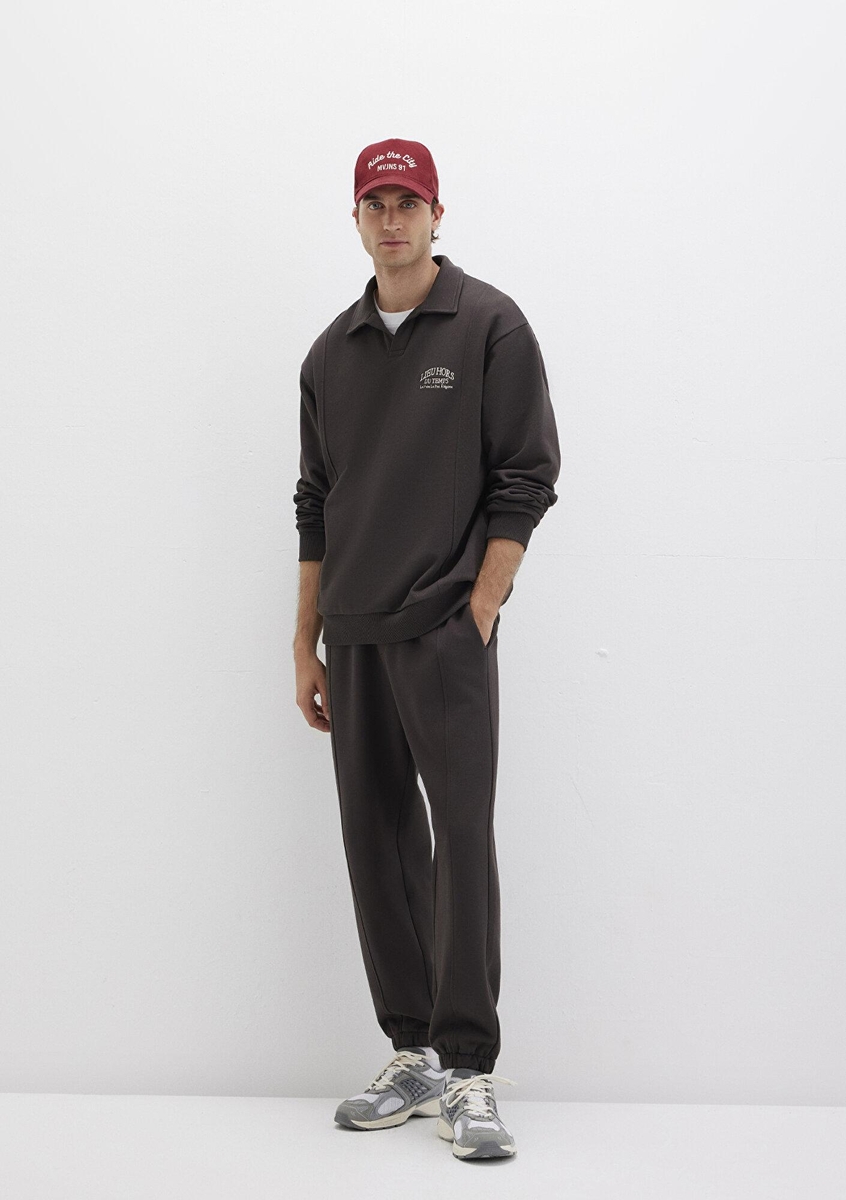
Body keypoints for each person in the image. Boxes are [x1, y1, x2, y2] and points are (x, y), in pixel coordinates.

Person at [293, 137, 561, 1161]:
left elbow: (526, 475)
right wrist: (305, 639)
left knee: (460, 843)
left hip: (445, 628)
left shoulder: (490, 324)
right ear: (357, 219)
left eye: (409, 201)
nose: (393, 218)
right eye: (376, 203)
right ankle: (411, 1053)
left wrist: (481, 604)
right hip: (354, 633)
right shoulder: (330, 353)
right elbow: (315, 501)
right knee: (375, 844)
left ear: (438, 214)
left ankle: (469, 1067)